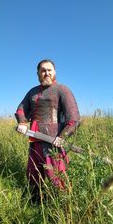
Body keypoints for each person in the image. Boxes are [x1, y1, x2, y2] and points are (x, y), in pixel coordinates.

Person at [15, 59, 80, 202]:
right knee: (33, 175)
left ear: (55, 72)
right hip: (34, 140)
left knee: (56, 177)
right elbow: (21, 110)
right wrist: (23, 123)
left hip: (53, 142)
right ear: (38, 73)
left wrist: (62, 136)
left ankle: (64, 205)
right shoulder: (32, 92)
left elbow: (74, 119)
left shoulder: (62, 90)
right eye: (43, 70)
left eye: (49, 70)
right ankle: (35, 202)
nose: (46, 73)